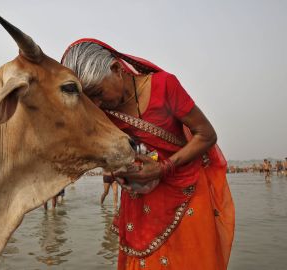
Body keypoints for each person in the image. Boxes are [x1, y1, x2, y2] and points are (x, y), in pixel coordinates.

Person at [62, 39, 234, 270]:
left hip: (187, 185)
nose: (97, 104)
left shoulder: (165, 86)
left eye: (98, 93)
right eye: (90, 99)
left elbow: (206, 135)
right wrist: (122, 171)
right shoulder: (104, 111)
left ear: (116, 69)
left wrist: (163, 168)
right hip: (142, 193)